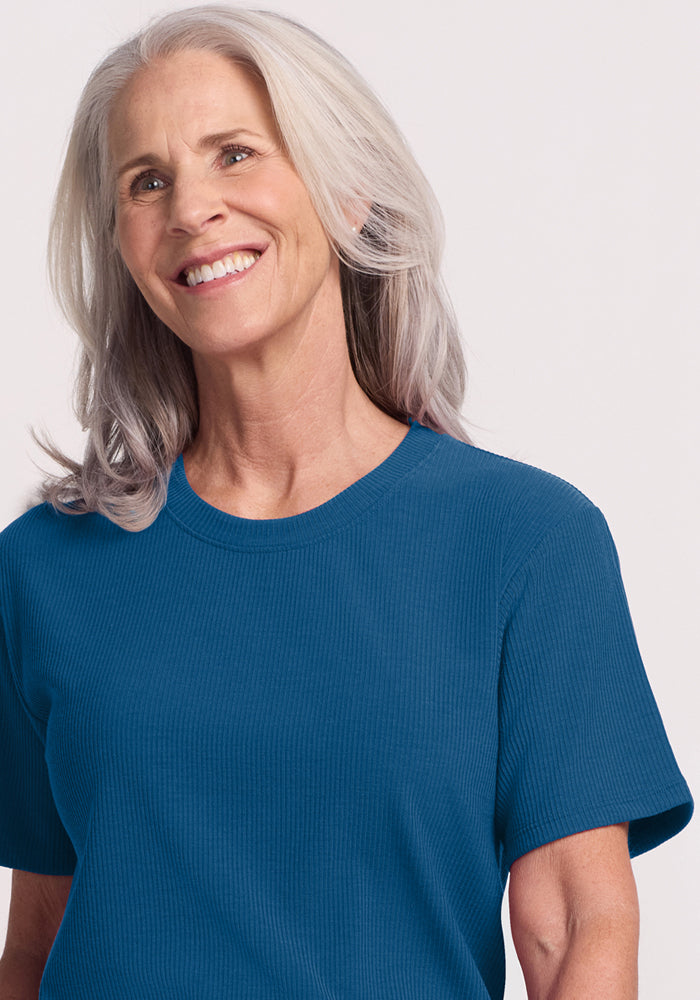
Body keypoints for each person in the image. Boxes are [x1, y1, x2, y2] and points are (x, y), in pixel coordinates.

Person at [0, 5, 692, 998]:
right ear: (121, 245)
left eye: (234, 154)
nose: (192, 206)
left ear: (347, 189)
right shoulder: (42, 570)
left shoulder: (524, 545)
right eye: (146, 181)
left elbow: (571, 934)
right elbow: (36, 945)